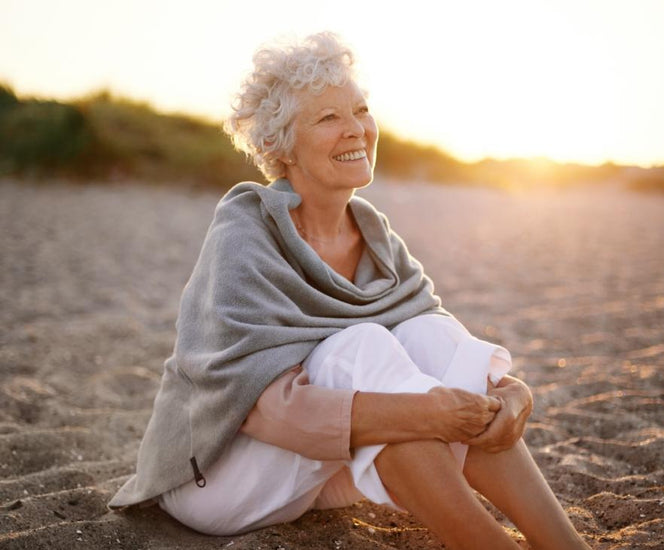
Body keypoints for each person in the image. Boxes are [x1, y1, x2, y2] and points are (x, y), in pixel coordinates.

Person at [110, 32, 589, 550]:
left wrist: (513, 394)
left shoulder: (375, 236)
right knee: (359, 347)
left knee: (426, 330)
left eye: (359, 110)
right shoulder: (246, 234)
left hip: (318, 471)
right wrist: (426, 414)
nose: (356, 129)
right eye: (327, 118)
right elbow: (263, 410)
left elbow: (444, 355)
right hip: (215, 474)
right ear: (278, 146)